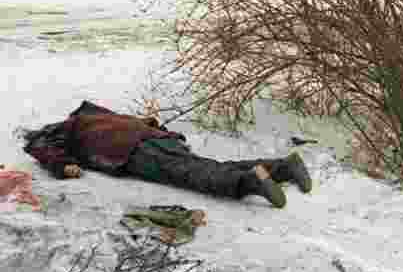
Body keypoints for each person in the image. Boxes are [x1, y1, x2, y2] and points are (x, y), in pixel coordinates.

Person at [21, 101, 313, 208]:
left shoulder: (66, 130)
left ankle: (250, 182)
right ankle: (283, 167)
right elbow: (143, 122)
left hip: (134, 151)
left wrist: (63, 165)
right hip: (157, 138)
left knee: (191, 174)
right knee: (205, 165)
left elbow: (40, 146)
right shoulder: (95, 114)